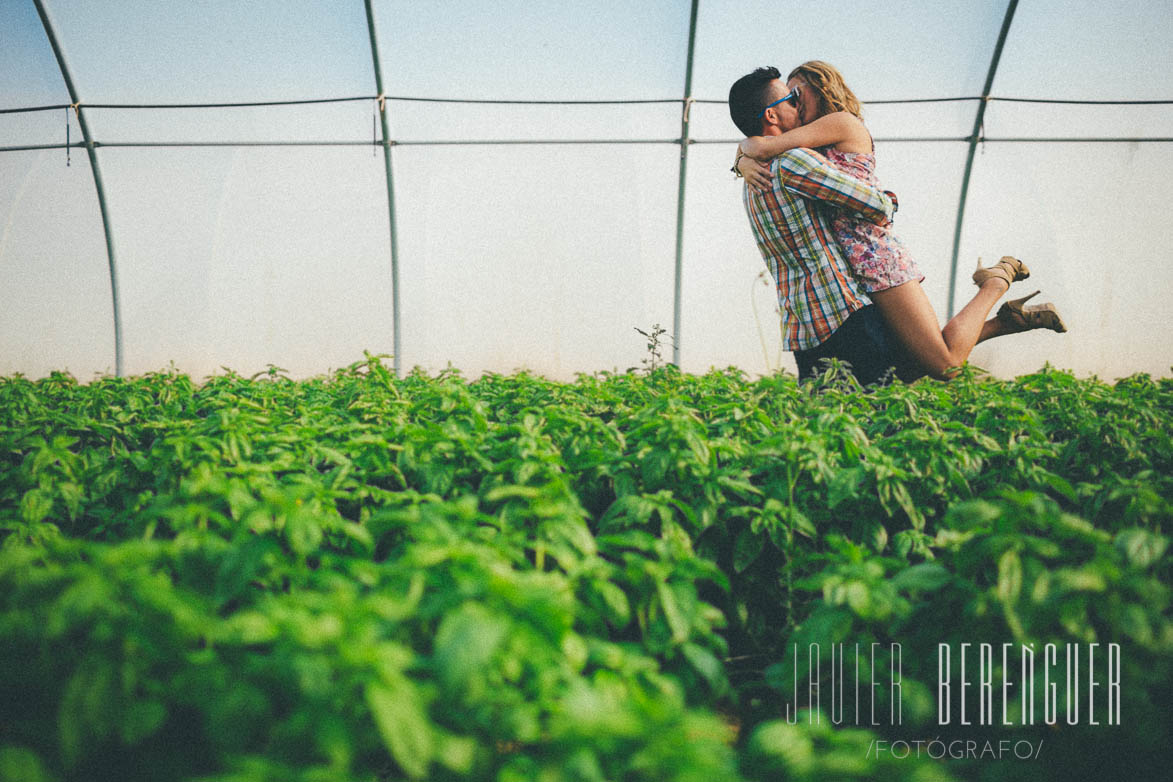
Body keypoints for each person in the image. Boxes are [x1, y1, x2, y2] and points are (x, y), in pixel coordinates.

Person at [730, 63, 1065, 382]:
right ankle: (1007, 321)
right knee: (907, 365)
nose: (796, 104)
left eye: (798, 95)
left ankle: (996, 282)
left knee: (941, 366)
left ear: (820, 89)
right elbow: (779, 152)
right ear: (772, 113)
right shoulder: (801, 151)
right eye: (790, 98)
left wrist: (746, 150)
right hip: (848, 279)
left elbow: (772, 147)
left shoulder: (837, 125)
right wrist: (745, 155)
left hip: (873, 255)